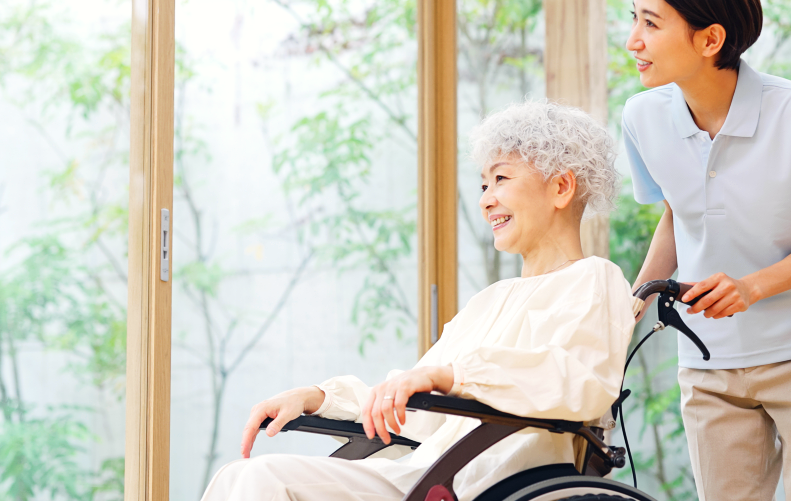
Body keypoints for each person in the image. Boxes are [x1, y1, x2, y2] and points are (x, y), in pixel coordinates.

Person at [200, 101, 636, 501]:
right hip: (420, 476)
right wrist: (319, 397)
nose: (486, 200)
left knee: (257, 482)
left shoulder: (594, 280)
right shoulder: (491, 300)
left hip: (489, 485)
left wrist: (451, 375)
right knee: (244, 476)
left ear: (561, 187)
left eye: (501, 178)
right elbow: (411, 406)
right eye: (483, 184)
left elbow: (575, 382)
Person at [621, 0, 791, 501]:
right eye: (633, 18)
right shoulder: (641, 117)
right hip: (709, 362)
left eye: (651, 23)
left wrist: (749, 287)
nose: (633, 39)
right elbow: (677, 216)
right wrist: (628, 310)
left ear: (710, 40)